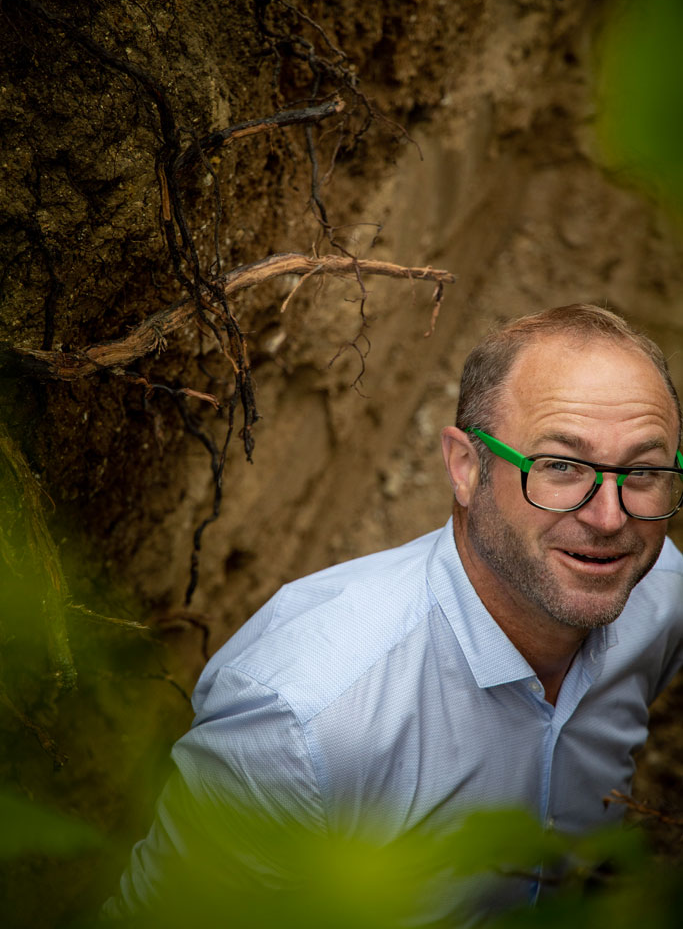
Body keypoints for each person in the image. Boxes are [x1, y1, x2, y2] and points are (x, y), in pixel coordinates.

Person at [103, 304, 683, 923]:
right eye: (561, 466)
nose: (610, 518)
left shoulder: (658, 595)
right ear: (465, 467)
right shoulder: (304, 722)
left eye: (643, 470)